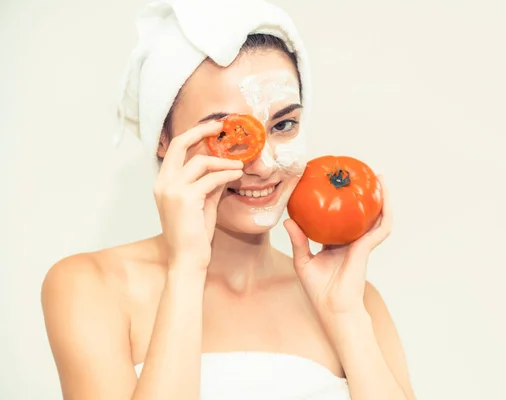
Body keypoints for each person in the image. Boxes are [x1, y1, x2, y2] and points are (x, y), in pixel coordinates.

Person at [41, 0, 417, 399]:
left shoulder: (356, 300)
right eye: (226, 135)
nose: (263, 164)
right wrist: (186, 269)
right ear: (163, 141)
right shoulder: (90, 286)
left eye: (284, 125)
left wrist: (345, 317)